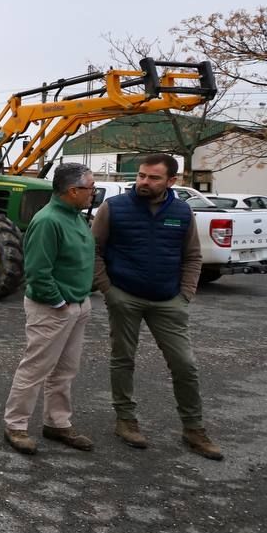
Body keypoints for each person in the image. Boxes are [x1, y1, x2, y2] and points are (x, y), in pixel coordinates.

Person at [93, 154, 222, 460]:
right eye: (141, 176)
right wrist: (109, 291)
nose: (144, 183)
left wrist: (186, 294)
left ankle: (193, 428)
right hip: (125, 296)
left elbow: (192, 256)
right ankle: (125, 420)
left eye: (152, 178)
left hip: (168, 301)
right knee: (123, 359)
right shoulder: (114, 207)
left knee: (185, 364)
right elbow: (94, 250)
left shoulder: (181, 211)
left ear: (171, 181)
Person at [2, 163, 97, 455]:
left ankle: (57, 422)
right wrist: (60, 303)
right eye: (89, 188)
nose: (93, 193)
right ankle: (16, 426)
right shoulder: (48, 221)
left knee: (66, 370)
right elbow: (38, 271)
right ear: (72, 191)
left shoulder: (75, 217)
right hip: (54, 309)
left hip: (77, 305)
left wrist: (80, 302)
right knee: (35, 368)